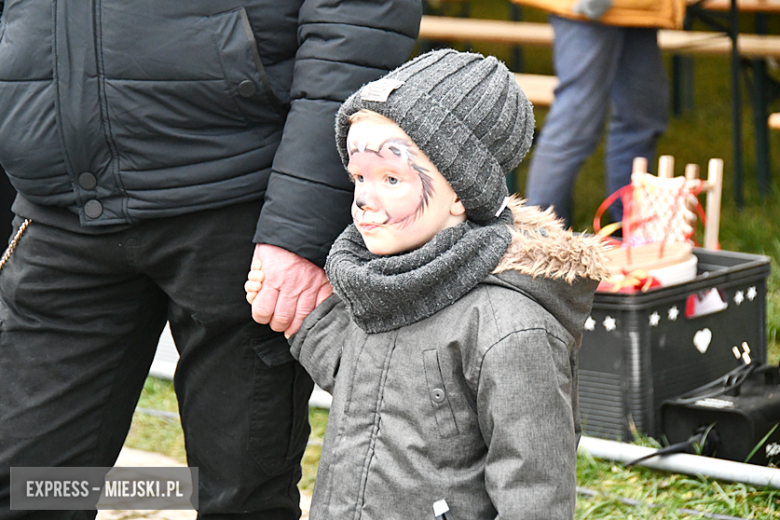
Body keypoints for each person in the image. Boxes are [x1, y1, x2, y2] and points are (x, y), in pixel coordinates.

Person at [0, 2, 420, 519]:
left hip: (242, 208)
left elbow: (357, 23)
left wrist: (298, 229)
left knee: (239, 499)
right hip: (60, 213)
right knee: (33, 491)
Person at [246, 49, 607, 520]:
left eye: (391, 178)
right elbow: (362, 375)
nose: (363, 201)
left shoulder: (511, 328)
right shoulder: (389, 279)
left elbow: (534, 488)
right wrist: (308, 315)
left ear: (461, 190)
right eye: (358, 176)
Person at [524, 9, 670, 227]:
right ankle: (538, 240)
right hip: (591, 8)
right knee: (575, 124)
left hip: (637, 9)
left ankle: (627, 229)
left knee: (640, 120)